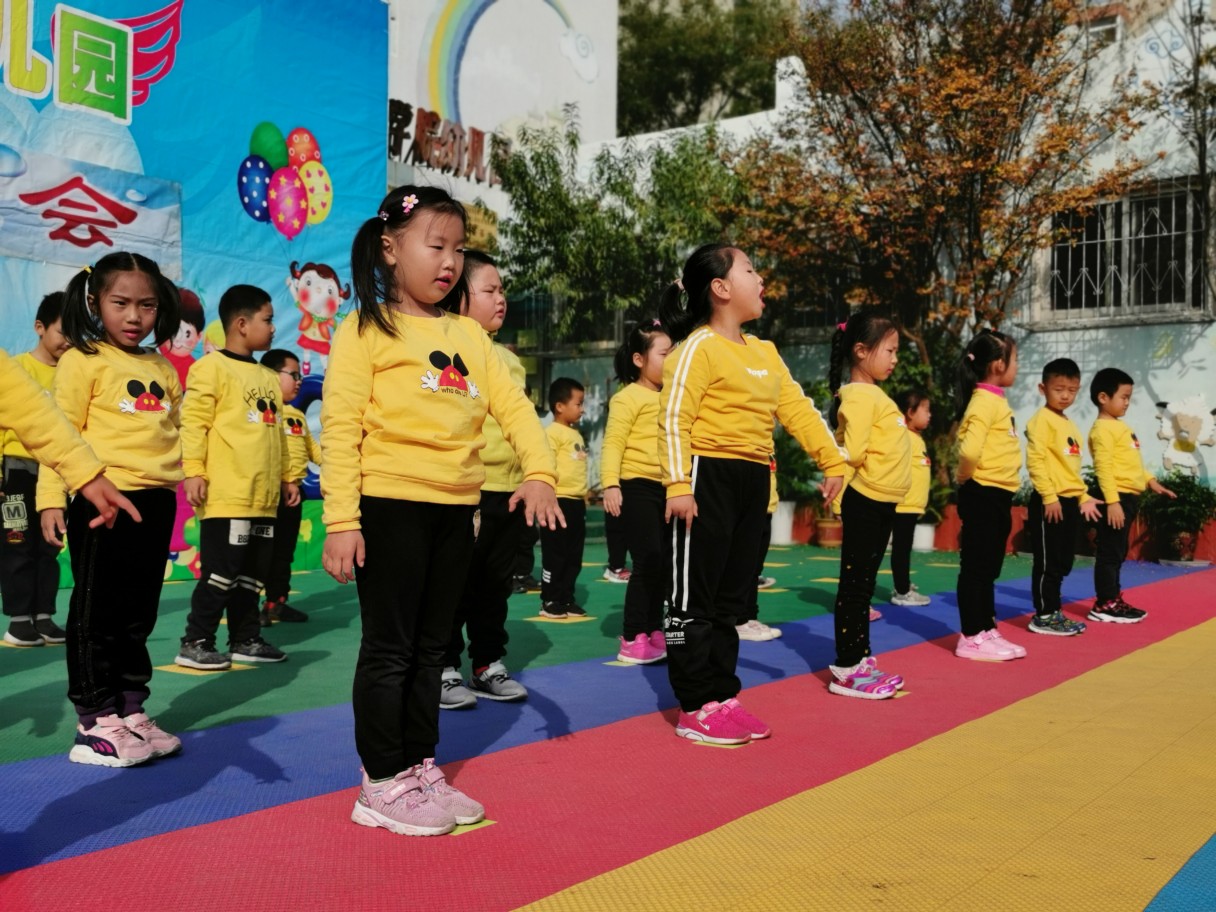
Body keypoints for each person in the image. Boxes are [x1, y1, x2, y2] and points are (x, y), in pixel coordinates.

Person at [321, 185, 561, 837]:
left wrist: (540, 472)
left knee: (432, 649)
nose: (450, 261)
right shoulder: (365, 328)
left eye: (458, 248)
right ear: (390, 248)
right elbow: (339, 428)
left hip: (456, 511)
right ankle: (380, 781)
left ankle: (418, 765)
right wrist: (341, 521)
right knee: (391, 648)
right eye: (436, 246)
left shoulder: (468, 335)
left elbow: (514, 408)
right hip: (389, 507)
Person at [660, 244, 845, 744]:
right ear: (720, 288)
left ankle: (722, 695)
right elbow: (674, 419)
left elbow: (798, 409)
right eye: (750, 269)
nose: (761, 279)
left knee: (731, 601)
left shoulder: (764, 352)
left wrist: (832, 460)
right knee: (692, 599)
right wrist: (678, 484)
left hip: (753, 478)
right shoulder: (696, 348)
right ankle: (695, 704)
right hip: (705, 476)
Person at [36, 252, 184, 767]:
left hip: (156, 501)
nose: (134, 316)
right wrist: (51, 498)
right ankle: (94, 719)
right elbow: (59, 435)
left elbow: (177, 430)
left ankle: (131, 707)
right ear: (94, 301)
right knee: (96, 611)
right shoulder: (82, 360)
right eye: (120, 303)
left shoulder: (161, 366)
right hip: (102, 501)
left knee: (138, 611)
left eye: (147, 305)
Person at [175, 285, 296, 671]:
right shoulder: (210, 368)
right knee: (221, 573)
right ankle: (196, 641)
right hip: (228, 495)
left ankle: (245, 638)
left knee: (253, 575)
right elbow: (194, 423)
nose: (273, 328)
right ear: (242, 324)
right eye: (268, 319)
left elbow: (278, 435)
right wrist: (194, 471)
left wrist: (288, 478)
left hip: (264, 499)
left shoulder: (268, 378)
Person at [442, 250, 530, 708]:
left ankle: (487, 664)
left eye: (502, 291)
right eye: (489, 290)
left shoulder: (507, 359)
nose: (501, 299)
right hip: (468, 489)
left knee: (495, 585)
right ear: (460, 296)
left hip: (508, 491)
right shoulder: (448, 348)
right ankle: (443, 667)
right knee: (455, 583)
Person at [825, 311, 911, 699]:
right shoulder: (859, 396)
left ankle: (859, 659)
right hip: (866, 500)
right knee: (856, 587)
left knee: (864, 585)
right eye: (889, 350)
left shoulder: (873, 394)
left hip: (881, 501)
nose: (895, 359)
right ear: (861, 351)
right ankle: (847, 667)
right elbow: (853, 451)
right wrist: (838, 490)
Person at [953, 329, 1028, 661]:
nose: (1017, 366)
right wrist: (964, 478)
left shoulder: (995, 399)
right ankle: (971, 636)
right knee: (977, 566)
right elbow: (969, 450)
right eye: (1015, 360)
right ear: (998, 365)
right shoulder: (983, 401)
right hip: (982, 491)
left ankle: (986, 627)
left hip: (997, 493)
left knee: (989, 566)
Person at [2, 292, 72, 647]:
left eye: (76, 333)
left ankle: (43, 616)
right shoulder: (16, 369)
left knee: (49, 547)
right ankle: (18, 622)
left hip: (56, 475)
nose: (68, 340)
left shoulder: (75, 375)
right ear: (39, 328)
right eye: (62, 331)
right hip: (15, 473)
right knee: (17, 544)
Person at [602, 320, 671, 663]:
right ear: (639, 359)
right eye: (664, 353)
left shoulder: (673, 397)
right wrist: (610, 484)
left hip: (668, 488)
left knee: (665, 563)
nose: (671, 360)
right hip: (636, 485)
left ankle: (654, 628)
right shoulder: (627, 397)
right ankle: (632, 636)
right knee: (648, 559)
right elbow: (613, 442)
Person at [1088, 368, 1175, 623]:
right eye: (1123, 397)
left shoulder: (1120, 427)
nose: (1127, 402)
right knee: (1110, 552)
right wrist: (1112, 502)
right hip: (1116, 498)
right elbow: (1103, 468)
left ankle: (1112, 599)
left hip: (1127, 498)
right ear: (1103, 397)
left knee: (1118, 550)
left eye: (1129, 397)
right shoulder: (1102, 430)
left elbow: (1132, 464)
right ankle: (1105, 603)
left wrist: (1151, 481)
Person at [1025, 358, 1102, 636]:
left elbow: (1070, 471)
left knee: (1063, 560)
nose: (1066, 396)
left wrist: (1083, 497)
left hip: (1067, 501)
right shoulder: (1041, 421)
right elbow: (1036, 462)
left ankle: (1054, 611)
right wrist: (1049, 497)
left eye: (1072, 390)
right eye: (1059, 389)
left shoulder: (1068, 423)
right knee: (1048, 561)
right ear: (1042, 388)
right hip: (1051, 502)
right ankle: (1044, 615)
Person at [259, 347, 318, 625]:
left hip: (294, 495)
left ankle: (276, 603)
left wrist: (341, 462)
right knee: (261, 554)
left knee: (284, 552)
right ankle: (247, 609)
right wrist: (284, 480)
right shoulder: (264, 411)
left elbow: (313, 449)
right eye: (293, 375)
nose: (298, 381)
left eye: (300, 376)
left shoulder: (297, 415)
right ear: (271, 375)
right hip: (268, 494)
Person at [539, 377, 589, 618]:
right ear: (560, 406)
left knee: (573, 555)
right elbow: (546, 462)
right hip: (557, 501)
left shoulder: (576, 434)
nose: (582, 409)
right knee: (555, 553)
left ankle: (566, 597)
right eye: (578, 404)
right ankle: (550, 599)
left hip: (576, 502)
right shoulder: (551, 433)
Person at [888, 388, 933, 608]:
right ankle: (902, 591)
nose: (929, 415)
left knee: (904, 547)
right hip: (902, 504)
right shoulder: (903, 437)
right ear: (910, 412)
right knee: (901, 548)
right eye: (925, 410)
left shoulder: (916, 438)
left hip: (912, 505)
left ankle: (902, 583)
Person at [735, 463, 782, 641]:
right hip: (750, 506)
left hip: (766, 506)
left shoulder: (767, 448)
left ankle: (749, 617)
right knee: (743, 567)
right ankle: (739, 619)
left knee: (755, 569)